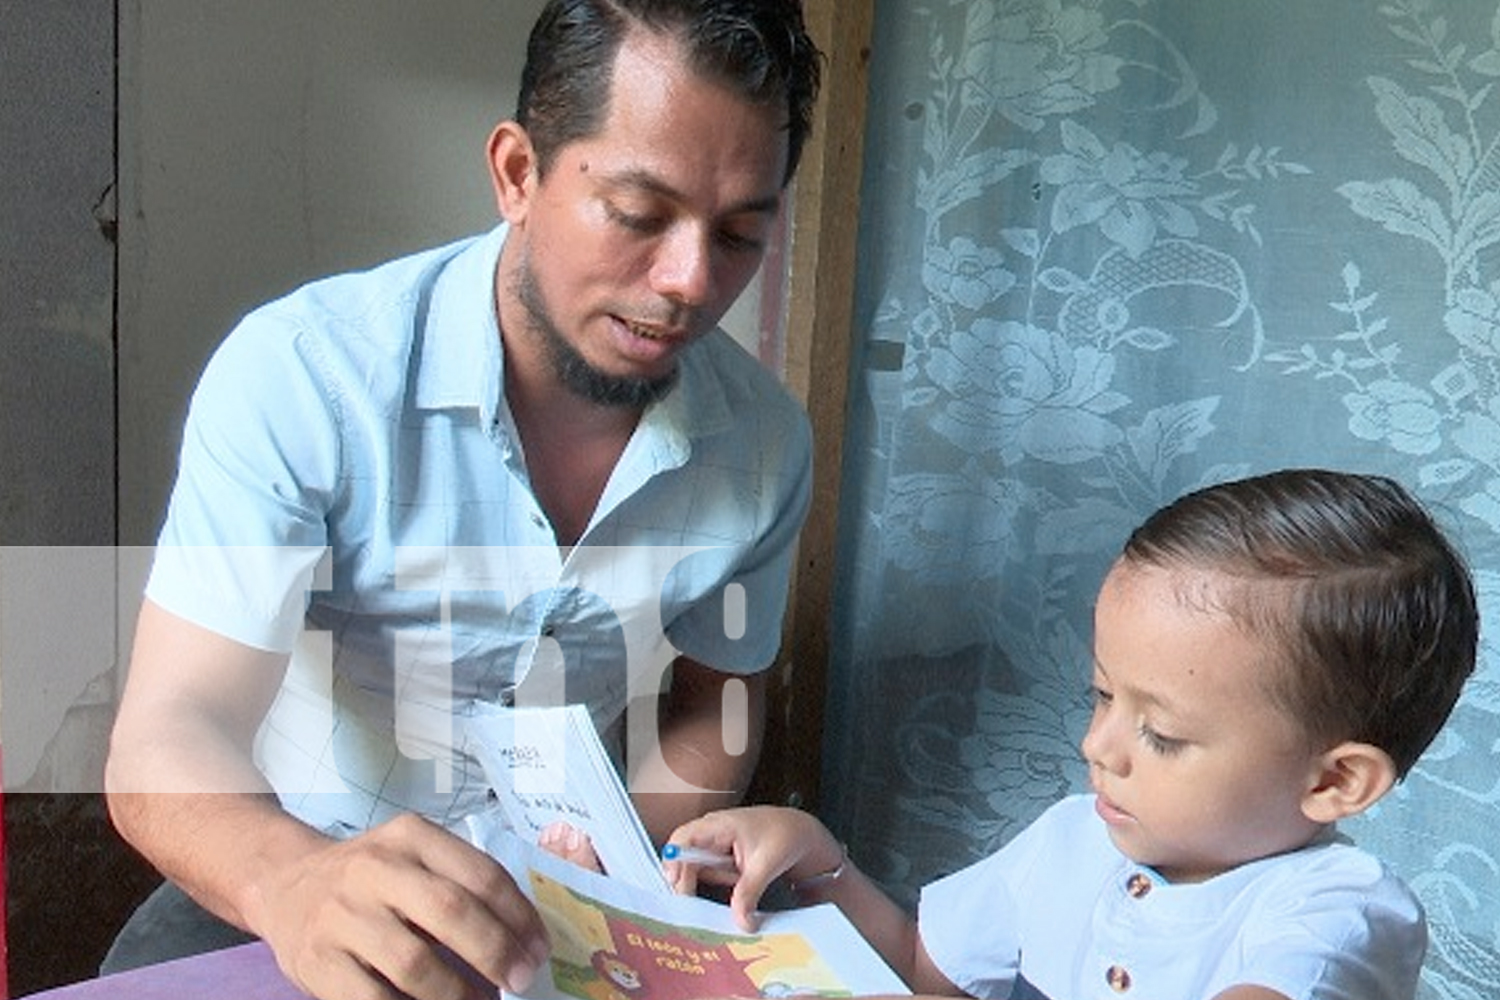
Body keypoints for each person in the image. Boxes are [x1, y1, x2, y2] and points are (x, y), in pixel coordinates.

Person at [102, 3, 823, 999]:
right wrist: (292, 878)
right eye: (639, 214)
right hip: (303, 854)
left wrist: (617, 865)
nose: (690, 282)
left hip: (576, 887)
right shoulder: (306, 376)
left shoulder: (766, 446)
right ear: (517, 173)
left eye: (740, 234)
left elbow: (710, 707)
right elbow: (169, 729)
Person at [665, 469, 1478, 1000]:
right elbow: (926, 968)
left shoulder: (1336, 916)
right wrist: (819, 862)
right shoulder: (1076, 840)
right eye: (1101, 696)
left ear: (1334, 783)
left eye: (1160, 734)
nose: (1099, 747)